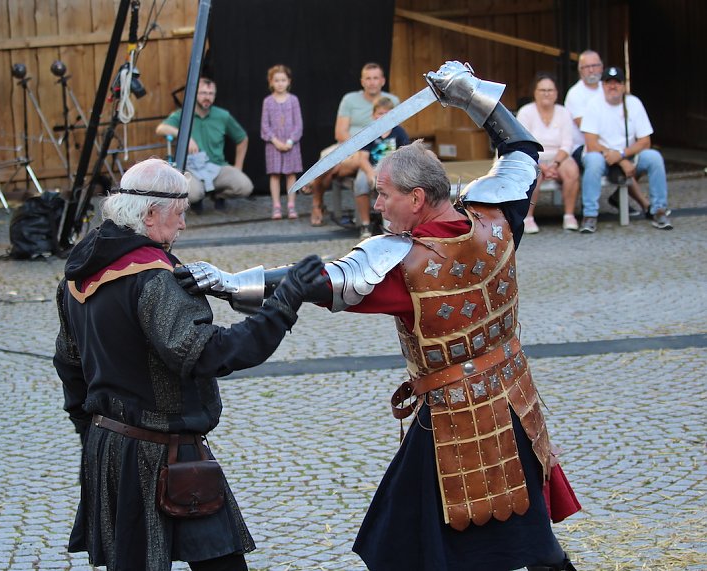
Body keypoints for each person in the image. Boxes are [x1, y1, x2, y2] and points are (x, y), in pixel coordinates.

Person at [176, 62, 581, 571]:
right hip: (515, 397)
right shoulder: (498, 217)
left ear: (417, 198)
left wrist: (232, 282)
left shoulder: (404, 265)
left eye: (386, 194)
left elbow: (318, 282)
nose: (378, 204)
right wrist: (472, 96)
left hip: (457, 418)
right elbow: (521, 150)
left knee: (425, 539)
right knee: (511, 530)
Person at [53, 158, 325, 571]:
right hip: (165, 453)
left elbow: (69, 367)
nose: (183, 226)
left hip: (109, 447)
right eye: (179, 214)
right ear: (149, 214)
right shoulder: (152, 278)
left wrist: (91, 437)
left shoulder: (75, 278)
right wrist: (284, 303)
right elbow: (208, 353)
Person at [578, 66, 672, 233]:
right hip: (602, 155)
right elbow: (591, 142)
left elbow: (645, 141)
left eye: (617, 82)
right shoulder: (594, 104)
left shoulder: (634, 103)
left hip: (627, 154)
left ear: (624, 85)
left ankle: (658, 210)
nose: (613, 86)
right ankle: (589, 215)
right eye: (608, 82)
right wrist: (620, 159)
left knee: (654, 157)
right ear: (603, 85)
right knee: (592, 161)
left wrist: (622, 155)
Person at [308, 63, 400, 227]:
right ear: (362, 81)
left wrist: (366, 147)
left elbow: (397, 130)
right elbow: (340, 132)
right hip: (347, 145)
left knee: (331, 170)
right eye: (368, 78)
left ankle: (317, 188)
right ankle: (317, 201)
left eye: (375, 78)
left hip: (377, 147)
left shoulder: (392, 101)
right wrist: (358, 145)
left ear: (383, 81)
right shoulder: (350, 99)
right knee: (326, 157)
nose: (372, 82)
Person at [565, 50, 646, 215]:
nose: (591, 70)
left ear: (602, 68)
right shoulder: (575, 94)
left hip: (612, 146)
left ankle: (622, 198)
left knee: (643, 157)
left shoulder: (609, 87)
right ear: (580, 70)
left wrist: (619, 152)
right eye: (586, 67)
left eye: (595, 65)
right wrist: (618, 155)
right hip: (582, 147)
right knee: (615, 161)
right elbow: (587, 131)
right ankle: (646, 204)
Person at [156, 78, 253, 213]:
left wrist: (238, 167)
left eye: (210, 94)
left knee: (245, 186)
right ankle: (198, 198)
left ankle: (218, 195)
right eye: (203, 93)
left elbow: (242, 138)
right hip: (192, 169)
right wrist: (185, 136)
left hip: (218, 167)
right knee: (194, 194)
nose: (207, 97)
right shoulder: (183, 114)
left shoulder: (222, 115)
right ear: (195, 94)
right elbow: (161, 128)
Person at [517, 73, 580, 232]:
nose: (546, 93)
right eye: (542, 90)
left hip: (557, 157)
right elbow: (523, 144)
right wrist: (542, 166)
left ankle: (569, 216)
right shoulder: (526, 112)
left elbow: (567, 144)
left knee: (572, 170)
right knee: (534, 172)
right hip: (531, 157)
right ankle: (528, 217)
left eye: (550, 90)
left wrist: (554, 164)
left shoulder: (564, 112)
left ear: (557, 93)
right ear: (535, 92)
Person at [355, 97, 411, 238]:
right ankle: (365, 224)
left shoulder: (399, 132)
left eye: (386, 113)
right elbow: (362, 158)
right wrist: (370, 173)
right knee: (360, 184)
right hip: (371, 168)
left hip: (394, 169)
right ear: (373, 115)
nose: (383, 116)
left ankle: (397, 223)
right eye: (380, 113)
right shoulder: (369, 133)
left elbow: (406, 154)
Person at [261, 64, 303, 220]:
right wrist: (275, 141)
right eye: (276, 80)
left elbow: (298, 124)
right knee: (275, 175)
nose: (280, 83)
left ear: (289, 81)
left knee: (291, 174)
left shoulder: (293, 100)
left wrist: (291, 141)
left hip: (292, 144)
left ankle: (291, 205)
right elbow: (265, 125)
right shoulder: (268, 102)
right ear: (271, 82)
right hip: (273, 145)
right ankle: (276, 206)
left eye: (283, 80)